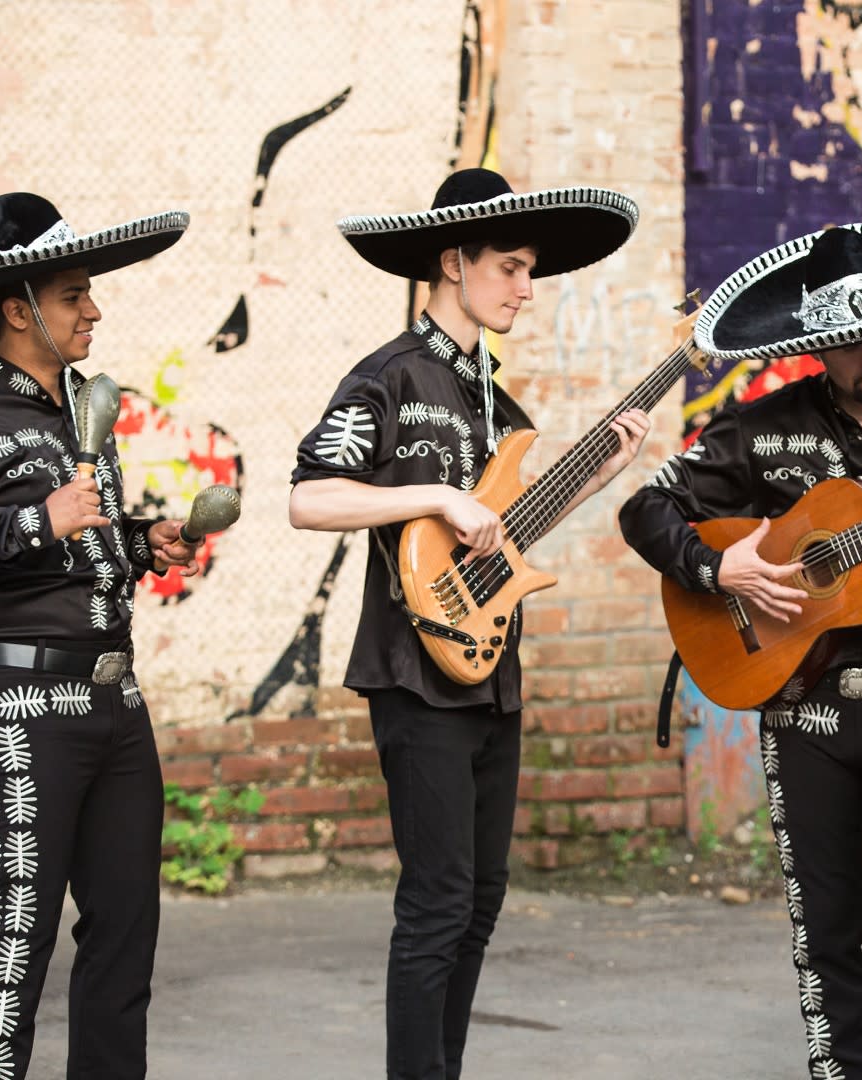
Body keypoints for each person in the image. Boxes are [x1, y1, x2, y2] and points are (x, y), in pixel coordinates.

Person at [621, 222, 862, 1079]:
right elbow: (645, 510)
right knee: (823, 932)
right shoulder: (758, 433)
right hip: (803, 713)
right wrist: (721, 568)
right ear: (818, 347)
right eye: (852, 343)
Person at [288, 168, 651, 1080]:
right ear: (453, 261)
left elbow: (499, 543)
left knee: (482, 901)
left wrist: (597, 474)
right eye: (511, 267)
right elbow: (308, 498)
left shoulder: (502, 405)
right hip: (413, 675)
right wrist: (434, 495)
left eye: (532, 271)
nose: (527, 289)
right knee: (438, 901)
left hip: (491, 668)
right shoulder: (386, 377)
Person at [0, 192, 201, 1080]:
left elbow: (78, 548)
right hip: (15, 700)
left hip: (113, 699)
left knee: (128, 927)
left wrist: (141, 544)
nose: (93, 309)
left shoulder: (83, 412)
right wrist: (34, 521)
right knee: (17, 924)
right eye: (72, 295)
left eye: (88, 292)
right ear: (18, 309)